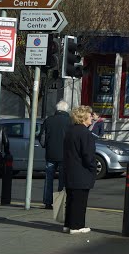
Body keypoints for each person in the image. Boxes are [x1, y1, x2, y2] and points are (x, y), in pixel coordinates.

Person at [62, 105, 97, 234]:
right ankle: (77, 226)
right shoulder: (85, 133)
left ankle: (68, 224)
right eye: (90, 115)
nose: (92, 117)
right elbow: (88, 155)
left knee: (71, 199)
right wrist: (93, 167)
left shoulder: (70, 131)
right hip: (81, 171)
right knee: (80, 200)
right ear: (83, 117)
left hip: (70, 170)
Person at [38, 100, 71, 209]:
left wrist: (46, 146)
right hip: (64, 155)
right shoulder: (70, 121)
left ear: (57, 109)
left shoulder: (48, 120)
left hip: (50, 154)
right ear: (66, 109)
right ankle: (60, 202)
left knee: (49, 179)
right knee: (62, 180)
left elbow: (42, 138)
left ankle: (48, 202)